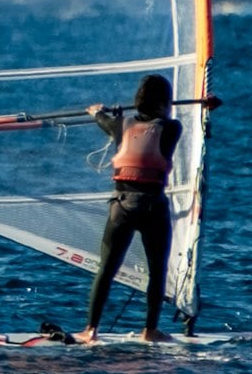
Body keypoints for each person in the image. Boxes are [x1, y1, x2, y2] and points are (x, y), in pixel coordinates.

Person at [78, 73, 183, 341]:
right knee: (157, 269)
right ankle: (150, 330)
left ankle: (91, 330)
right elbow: (163, 123)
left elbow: (104, 121)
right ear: (162, 104)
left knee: (107, 268)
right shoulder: (172, 128)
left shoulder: (121, 125)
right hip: (152, 208)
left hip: (121, 207)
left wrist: (99, 112)